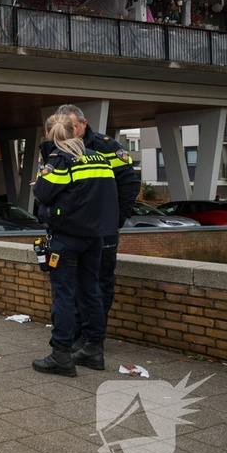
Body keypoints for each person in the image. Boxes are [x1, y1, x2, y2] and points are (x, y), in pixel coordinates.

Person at [31, 113, 118, 376]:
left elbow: (44, 193)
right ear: (75, 131)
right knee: (91, 291)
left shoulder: (59, 160)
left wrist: (42, 180)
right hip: (96, 237)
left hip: (66, 238)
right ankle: (94, 350)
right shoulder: (100, 158)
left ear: (52, 135)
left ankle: (61, 355)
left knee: (64, 296)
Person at [54, 104, 140, 362]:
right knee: (76, 284)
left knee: (98, 283)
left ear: (83, 123)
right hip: (75, 231)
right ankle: (79, 336)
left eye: (71, 127)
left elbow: (129, 184)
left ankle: (91, 340)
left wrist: (115, 220)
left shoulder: (107, 146)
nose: (68, 132)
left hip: (102, 232)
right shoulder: (59, 146)